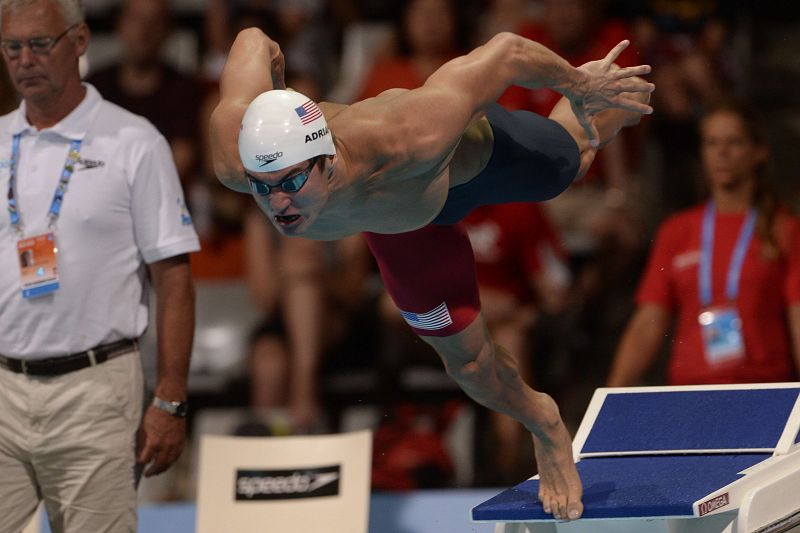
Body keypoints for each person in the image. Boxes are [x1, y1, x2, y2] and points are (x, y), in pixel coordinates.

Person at [210, 27, 654, 520]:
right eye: (261, 186)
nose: (278, 204)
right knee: (468, 367)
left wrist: (575, 83)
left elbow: (506, 52)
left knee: (575, 160)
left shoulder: (411, 131)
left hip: (464, 165)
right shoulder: (235, 154)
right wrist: (275, 100)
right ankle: (546, 424)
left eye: (291, 181)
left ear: (327, 161)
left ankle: (612, 86)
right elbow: (252, 39)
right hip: (399, 227)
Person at [0, 1, 200, 531]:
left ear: (80, 40)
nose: (25, 59)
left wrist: (172, 398)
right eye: (12, 47)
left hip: (95, 387)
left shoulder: (134, 142)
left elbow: (173, 277)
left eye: (40, 44)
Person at [607, 102, 800, 388]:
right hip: (690, 394)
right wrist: (612, 395)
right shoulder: (677, 231)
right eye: (712, 143)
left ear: (758, 152)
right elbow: (647, 322)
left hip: (764, 390)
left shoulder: (784, 230)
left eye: (733, 142)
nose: (721, 153)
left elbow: (798, 317)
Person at [86, 0, 204, 186]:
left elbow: (181, 160)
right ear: (119, 24)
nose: (144, 31)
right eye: (135, 20)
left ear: (168, 29)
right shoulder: (95, 87)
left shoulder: (184, 90)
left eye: (154, 22)